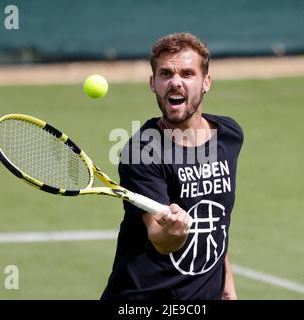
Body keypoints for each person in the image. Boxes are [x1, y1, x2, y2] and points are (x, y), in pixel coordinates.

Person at [101, 32, 244, 300]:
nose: (175, 82)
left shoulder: (228, 135)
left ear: (206, 82)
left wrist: (227, 289)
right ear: (153, 83)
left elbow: (218, 220)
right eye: (166, 74)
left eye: (187, 74)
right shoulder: (142, 152)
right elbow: (159, 238)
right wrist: (174, 233)